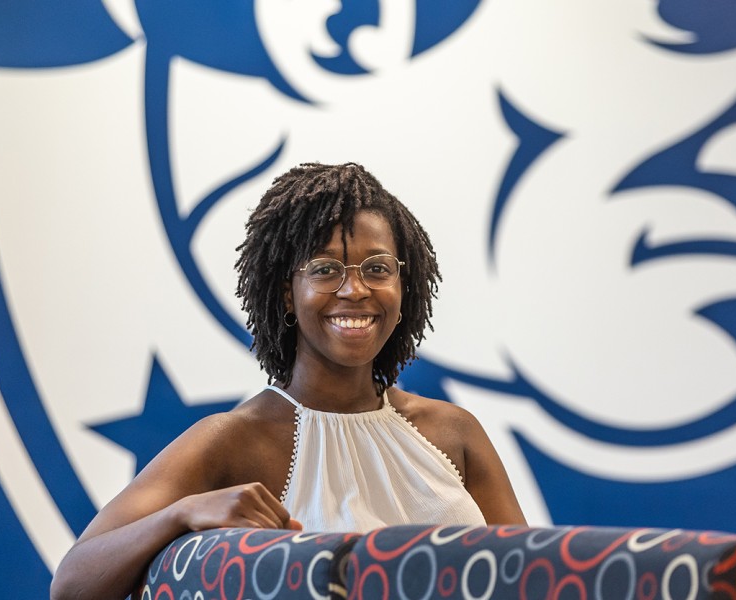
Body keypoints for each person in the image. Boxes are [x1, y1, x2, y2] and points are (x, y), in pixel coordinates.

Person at [50, 162, 526, 599]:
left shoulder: (455, 433)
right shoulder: (233, 439)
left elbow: (527, 577)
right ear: (286, 294)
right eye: (324, 269)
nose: (354, 289)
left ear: (404, 287)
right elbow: (72, 583)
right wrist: (181, 513)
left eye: (377, 268)